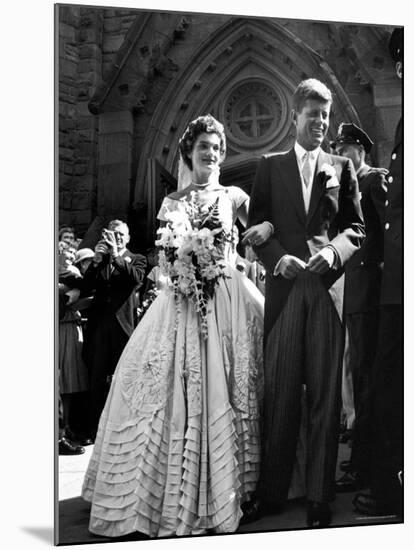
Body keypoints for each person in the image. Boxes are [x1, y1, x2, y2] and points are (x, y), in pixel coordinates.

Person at [82, 114, 272, 538]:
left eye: (217, 147)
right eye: (204, 145)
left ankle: (233, 488)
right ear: (189, 151)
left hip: (226, 296)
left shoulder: (234, 196)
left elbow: (262, 230)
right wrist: (181, 261)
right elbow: (162, 255)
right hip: (182, 298)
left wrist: (257, 242)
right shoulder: (172, 202)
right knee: (160, 384)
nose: (211, 153)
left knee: (233, 379)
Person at [246, 78, 365, 527]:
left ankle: (319, 494)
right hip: (285, 291)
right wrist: (279, 261)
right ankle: (272, 493)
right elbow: (257, 226)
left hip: (327, 291)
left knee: (324, 397)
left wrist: (333, 251)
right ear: (295, 115)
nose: (320, 122)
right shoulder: (269, 165)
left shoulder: (340, 166)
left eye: (326, 115)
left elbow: (356, 229)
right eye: (313, 114)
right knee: (279, 395)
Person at [353, 27, 403, 517]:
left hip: (396, 283)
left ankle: (389, 486)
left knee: (388, 378)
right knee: (383, 378)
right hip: (390, 285)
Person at [330, 123, 387, 493]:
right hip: (352, 293)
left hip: (370, 292)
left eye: (346, 148)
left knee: (367, 379)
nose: (342, 155)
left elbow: (388, 234)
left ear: (360, 150)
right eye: (339, 149)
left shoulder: (373, 181)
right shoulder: (347, 187)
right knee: (356, 376)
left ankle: (367, 464)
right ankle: (362, 457)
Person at [81, 220, 147, 439]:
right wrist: (98, 261)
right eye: (112, 233)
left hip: (124, 327)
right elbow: (86, 287)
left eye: (120, 234)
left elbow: (135, 279)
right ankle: (94, 429)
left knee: (125, 378)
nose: (116, 237)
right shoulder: (101, 259)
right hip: (100, 327)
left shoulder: (136, 259)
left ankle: (125, 428)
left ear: (127, 238)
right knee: (97, 377)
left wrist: (117, 254)